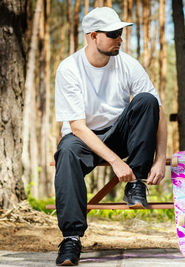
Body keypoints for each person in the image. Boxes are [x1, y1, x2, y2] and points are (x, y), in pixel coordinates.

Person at [53, 7, 167, 266]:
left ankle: (136, 183)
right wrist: (116, 162)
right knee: (67, 152)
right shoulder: (69, 68)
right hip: (82, 137)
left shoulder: (127, 64)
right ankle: (71, 238)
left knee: (147, 100)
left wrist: (160, 159)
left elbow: (158, 111)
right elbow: (78, 127)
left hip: (118, 133)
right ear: (93, 36)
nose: (120, 38)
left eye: (122, 33)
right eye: (114, 33)